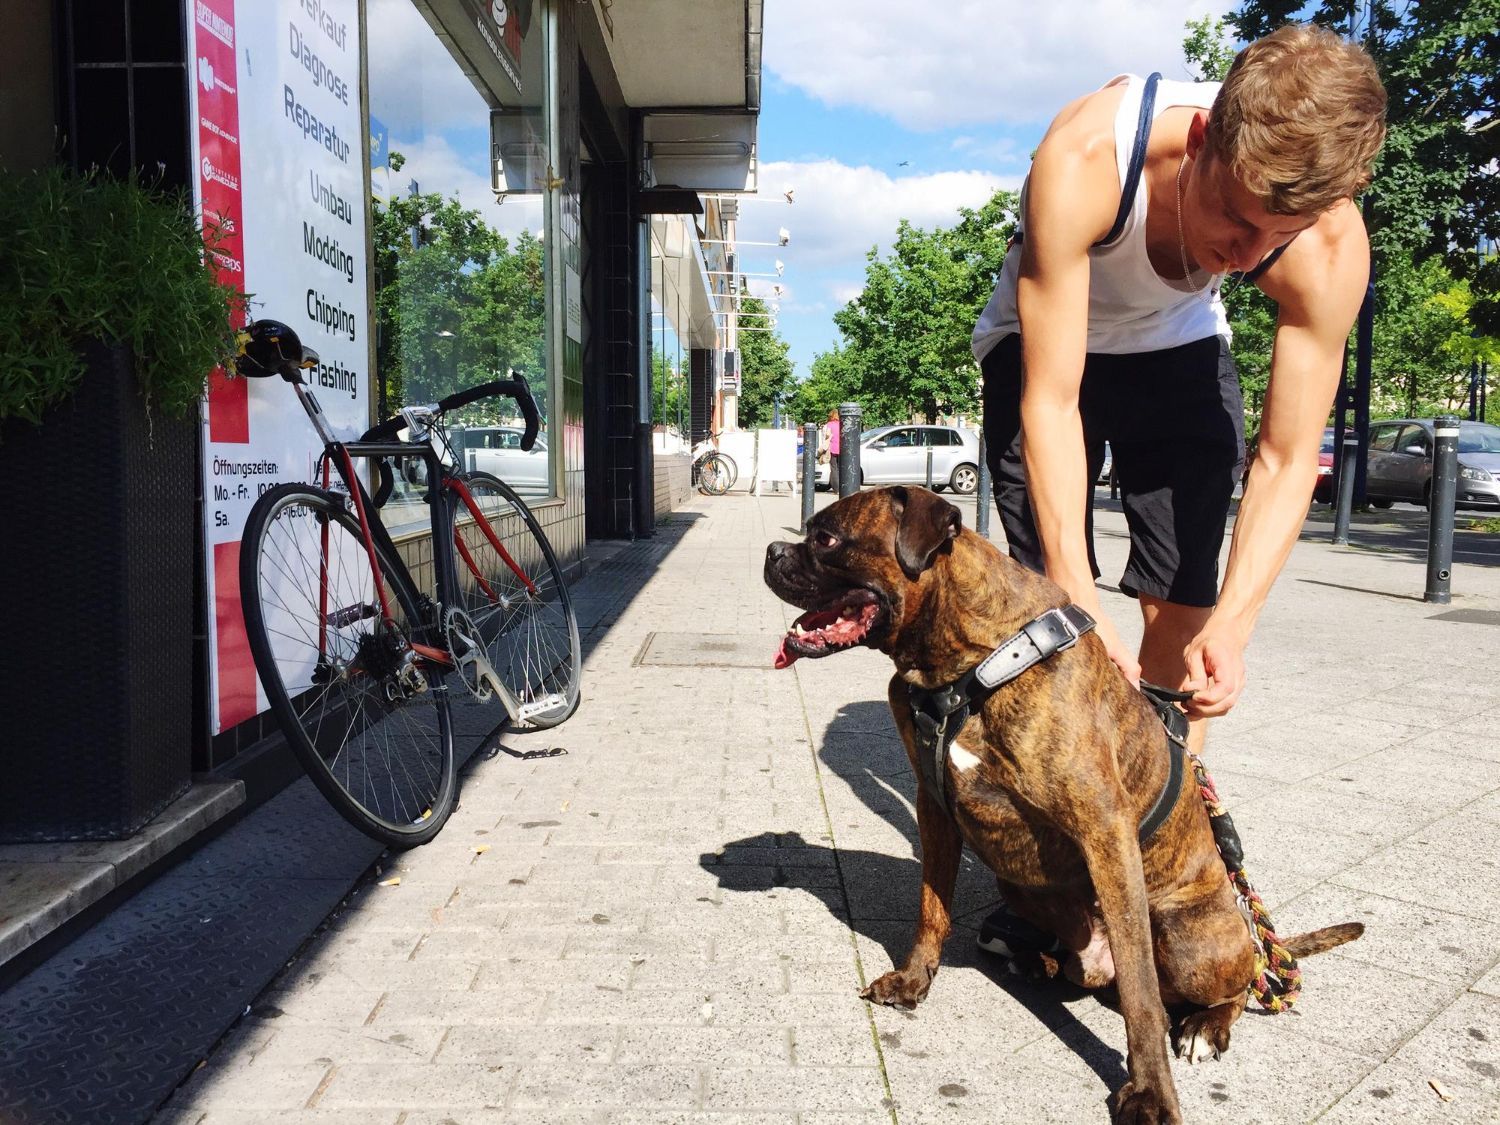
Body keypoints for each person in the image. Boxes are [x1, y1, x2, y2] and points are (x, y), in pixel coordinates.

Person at [969, 25, 1386, 955]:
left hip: (1179, 347)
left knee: (1185, 613)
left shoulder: (1326, 246)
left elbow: (1284, 460)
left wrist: (1233, 627)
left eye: (1276, 238)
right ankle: (1050, 872)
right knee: (1048, 627)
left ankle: (1157, 850)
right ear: (1199, 143)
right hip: (1042, 353)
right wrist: (1074, 594)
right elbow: (1052, 399)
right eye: (1234, 221)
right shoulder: (1083, 157)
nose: (1247, 254)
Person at [822, 406, 842, 493]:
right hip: (842, 449)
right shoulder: (842, 424)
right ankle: (842, 487)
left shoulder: (828, 425)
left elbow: (825, 438)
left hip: (832, 449)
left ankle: (836, 489)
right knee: (841, 468)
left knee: (834, 468)